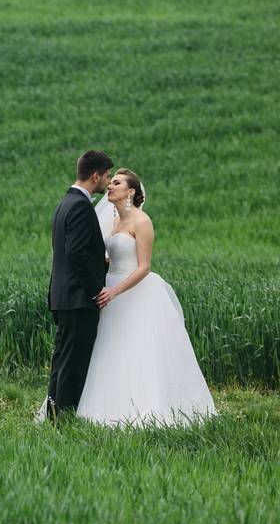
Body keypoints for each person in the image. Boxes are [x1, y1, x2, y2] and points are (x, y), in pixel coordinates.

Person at [76, 168, 216, 426]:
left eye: (116, 183)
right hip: (110, 288)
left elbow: (144, 267)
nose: (110, 186)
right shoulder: (114, 221)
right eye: (111, 182)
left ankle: (147, 406)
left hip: (134, 291)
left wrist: (116, 290)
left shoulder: (142, 222)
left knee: (137, 347)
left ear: (131, 191)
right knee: (109, 345)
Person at [42, 150, 113, 423]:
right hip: (79, 299)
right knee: (73, 365)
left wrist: (101, 261)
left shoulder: (65, 203)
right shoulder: (82, 207)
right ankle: (65, 419)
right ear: (95, 176)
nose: (107, 182)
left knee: (61, 362)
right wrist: (96, 289)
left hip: (62, 296)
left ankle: (53, 415)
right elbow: (77, 254)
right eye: (106, 176)